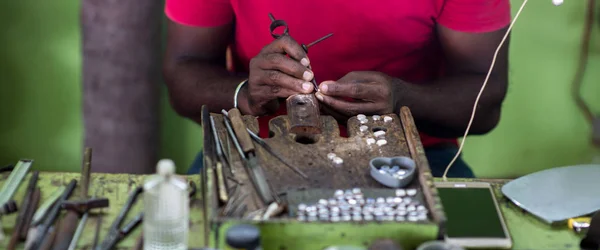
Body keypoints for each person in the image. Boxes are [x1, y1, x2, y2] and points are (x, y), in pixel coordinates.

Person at [163, 0, 511, 178]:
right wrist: (246, 95)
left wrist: (401, 100)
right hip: (255, 147)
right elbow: (182, 75)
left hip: (408, 154)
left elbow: (485, 101)